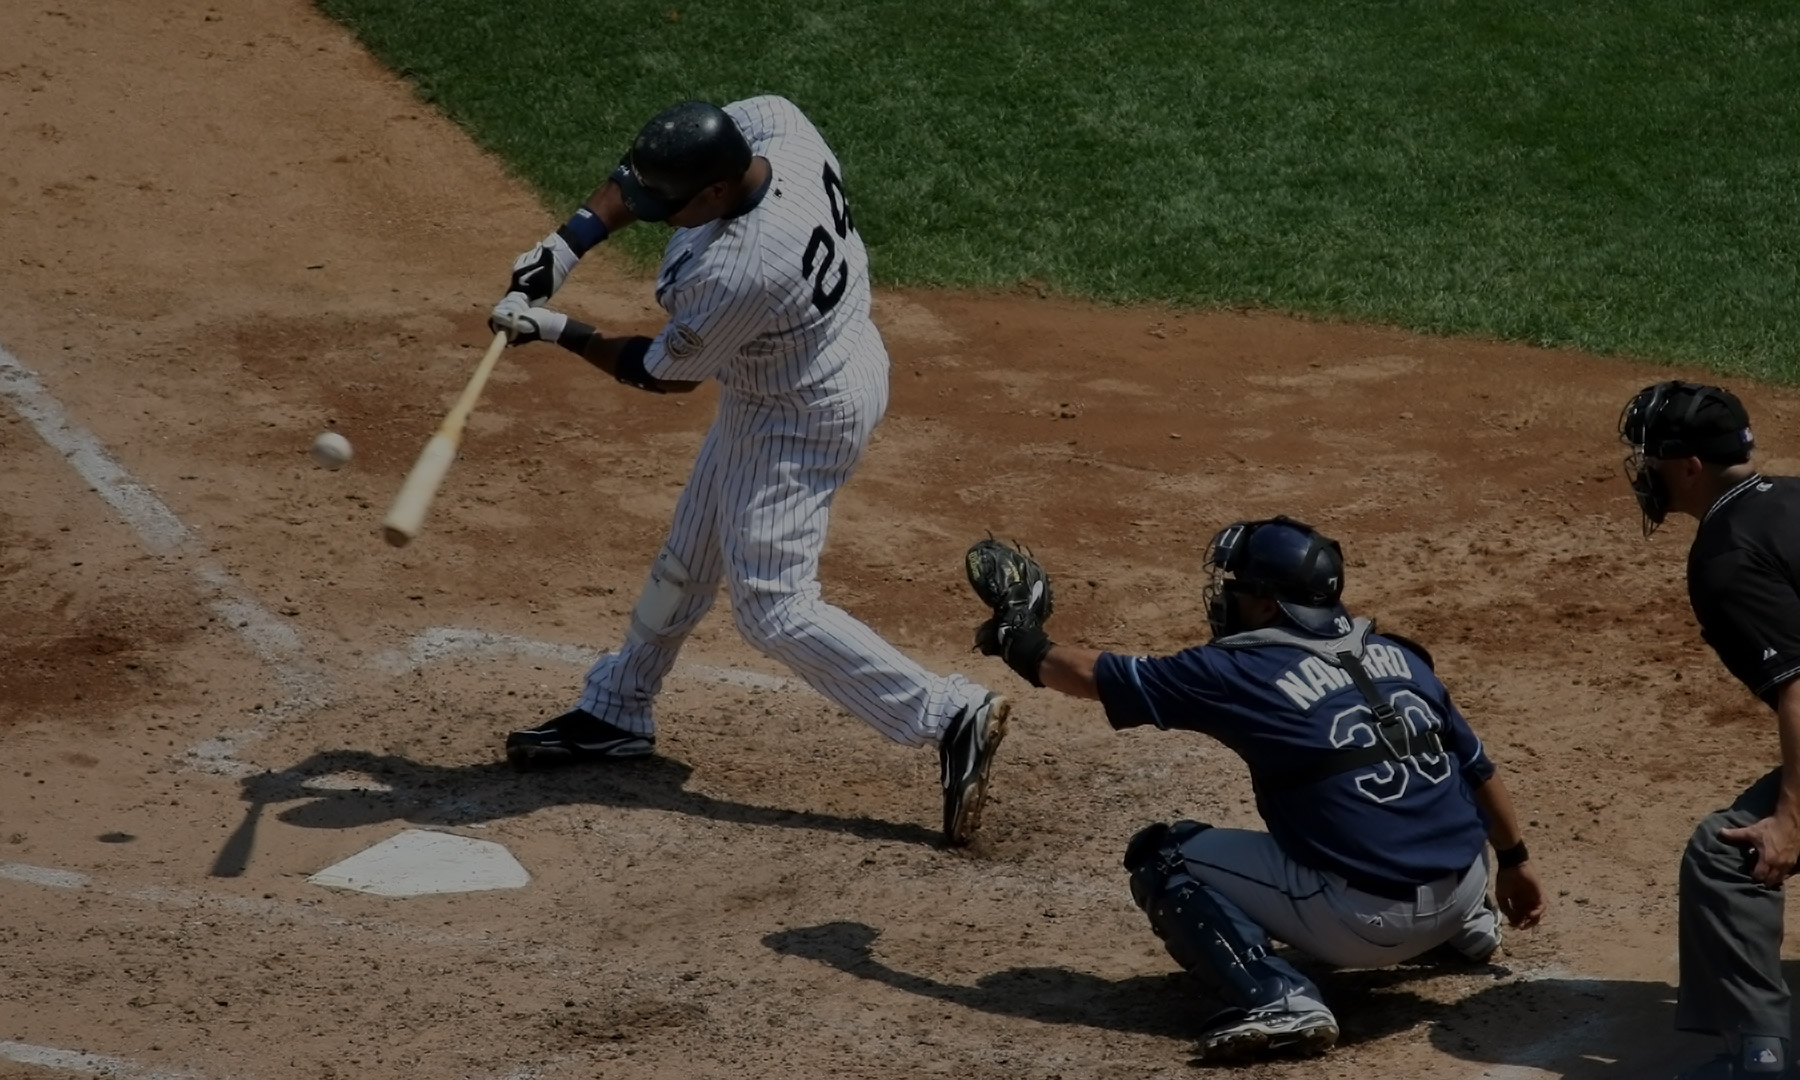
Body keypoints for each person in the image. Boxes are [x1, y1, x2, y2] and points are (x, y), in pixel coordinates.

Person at [484, 97, 1009, 846]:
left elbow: (661, 373)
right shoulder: (778, 127)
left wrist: (555, 328)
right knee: (691, 549)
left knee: (773, 608)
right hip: (810, 364)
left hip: (801, 413)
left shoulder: (741, 270)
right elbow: (641, 174)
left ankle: (949, 714)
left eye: (672, 205)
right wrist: (563, 247)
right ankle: (618, 706)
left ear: (717, 191)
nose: (655, 213)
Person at [963, 518, 1547, 1061]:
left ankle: (1280, 998)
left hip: (1367, 928)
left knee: (1164, 857)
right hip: (1470, 885)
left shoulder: (1239, 672)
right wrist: (1516, 862)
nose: (1225, 597)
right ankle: (1468, 931)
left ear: (1268, 602)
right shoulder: (1401, 656)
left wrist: (1019, 637)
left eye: (1237, 587)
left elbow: (1091, 675)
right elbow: (1479, 770)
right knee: (1419, 774)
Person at [1618, 381, 1800, 1079]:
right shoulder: (1792, 497)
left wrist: (1790, 820)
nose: (1643, 471)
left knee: (1726, 857)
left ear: (1690, 467)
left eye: (1651, 459)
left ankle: (1759, 1057)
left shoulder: (1725, 556)